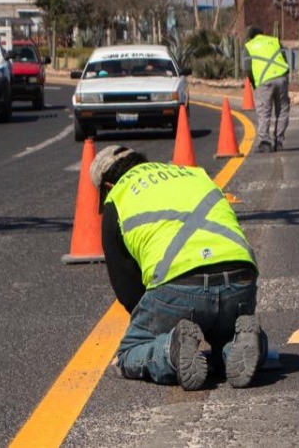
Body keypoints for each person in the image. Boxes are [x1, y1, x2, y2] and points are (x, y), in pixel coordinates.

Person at [91, 145, 267, 391]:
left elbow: (128, 292)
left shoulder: (118, 197)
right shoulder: (192, 174)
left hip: (181, 287)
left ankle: (170, 350)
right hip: (240, 281)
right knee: (226, 336)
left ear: (107, 186)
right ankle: (243, 343)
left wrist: (162, 322)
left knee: (130, 353)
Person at [242, 26, 291, 153]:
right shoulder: (274, 41)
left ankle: (265, 142)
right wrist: (285, 75)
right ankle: (279, 141)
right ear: (263, 34)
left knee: (264, 111)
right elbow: (285, 58)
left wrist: (254, 82)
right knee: (282, 110)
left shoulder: (249, 46)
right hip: (281, 77)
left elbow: (246, 67)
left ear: (251, 37)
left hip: (264, 82)